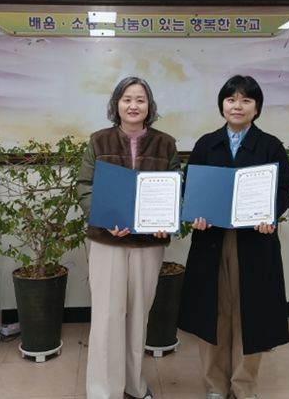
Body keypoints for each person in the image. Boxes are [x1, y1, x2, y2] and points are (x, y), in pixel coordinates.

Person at [178, 74, 289, 399]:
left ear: (257, 107)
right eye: (231, 99)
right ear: (222, 105)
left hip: (254, 242)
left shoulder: (270, 145)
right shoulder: (206, 144)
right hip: (211, 240)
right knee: (213, 311)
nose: (237, 106)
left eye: (246, 100)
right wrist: (196, 213)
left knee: (250, 312)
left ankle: (244, 385)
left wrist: (270, 214)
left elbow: (285, 188)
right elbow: (190, 186)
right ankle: (215, 384)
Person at [78, 76, 180, 399]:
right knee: (107, 316)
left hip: (148, 244)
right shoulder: (98, 141)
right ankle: (103, 390)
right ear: (116, 104)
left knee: (139, 317)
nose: (133, 105)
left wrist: (167, 222)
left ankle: (134, 386)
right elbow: (84, 186)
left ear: (149, 106)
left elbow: (175, 189)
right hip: (107, 241)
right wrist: (105, 219)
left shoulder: (166, 144)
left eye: (140, 99)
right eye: (127, 99)